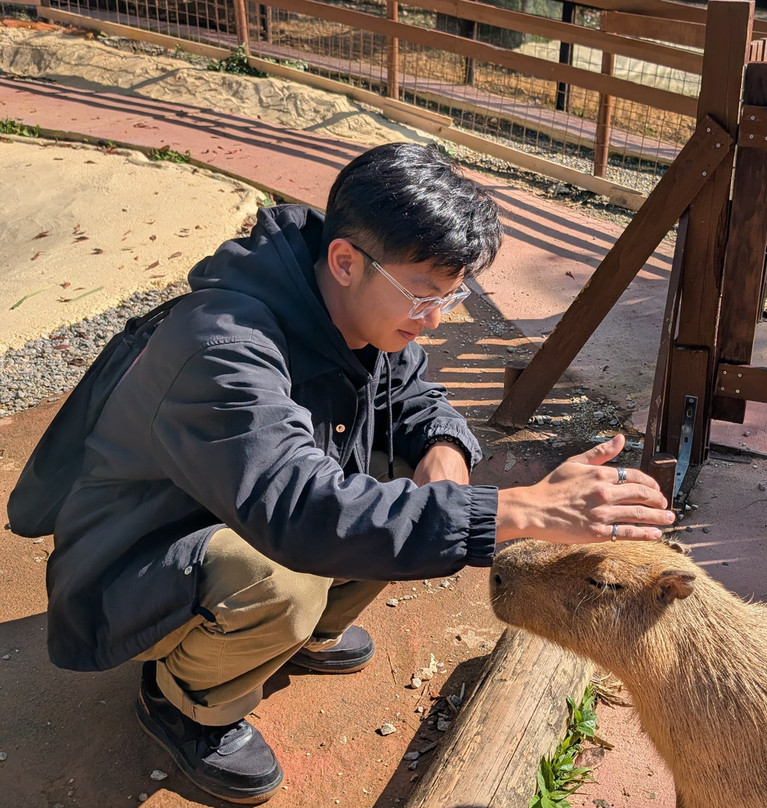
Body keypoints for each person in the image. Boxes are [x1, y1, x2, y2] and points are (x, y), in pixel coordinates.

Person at [41, 142, 674, 803]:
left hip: (242, 507)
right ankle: (186, 700)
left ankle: (302, 633)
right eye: (423, 295)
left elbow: (414, 397)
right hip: (131, 563)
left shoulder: (353, 309)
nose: (433, 319)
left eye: (452, 298)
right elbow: (302, 513)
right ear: (346, 261)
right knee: (280, 577)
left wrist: (444, 451)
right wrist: (523, 511)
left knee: (409, 481)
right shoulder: (222, 347)